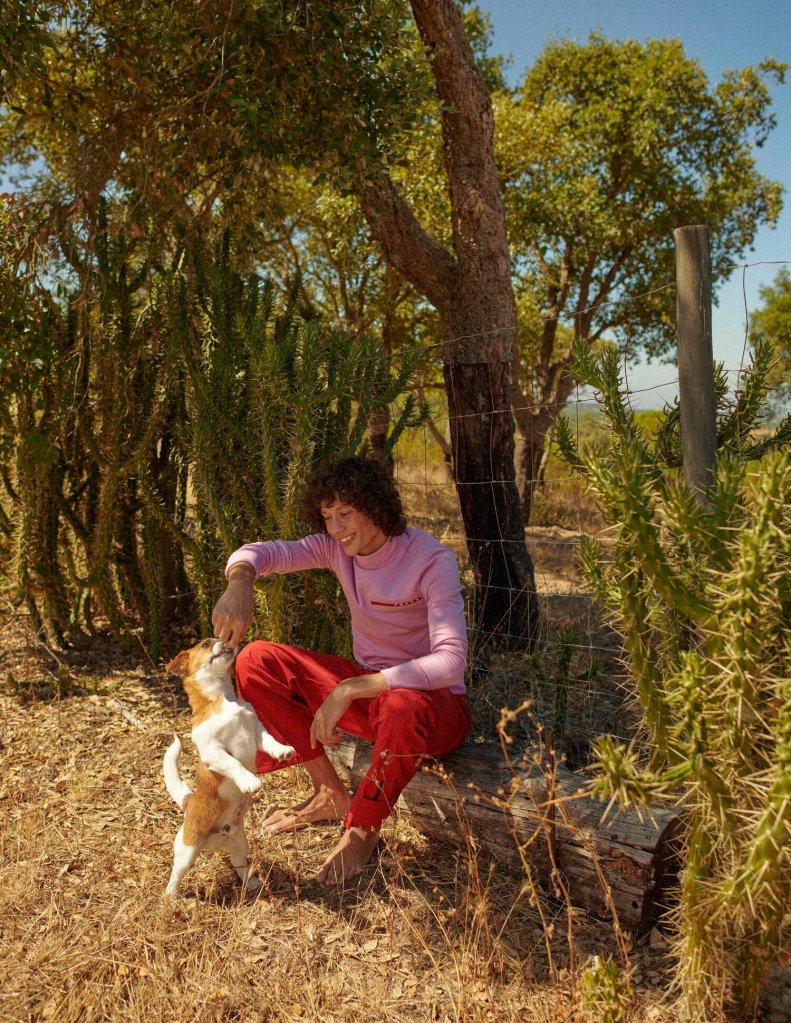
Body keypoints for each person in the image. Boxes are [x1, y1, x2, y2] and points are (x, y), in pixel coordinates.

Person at [211, 454, 470, 886]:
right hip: (372, 699)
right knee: (256, 659)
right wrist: (240, 582)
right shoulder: (335, 549)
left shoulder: (430, 559)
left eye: (345, 514)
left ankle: (362, 828)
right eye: (327, 516)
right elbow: (262, 553)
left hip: (432, 708)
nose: (335, 528)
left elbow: (451, 661)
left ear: (375, 506)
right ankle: (329, 792)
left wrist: (349, 688)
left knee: (401, 706)